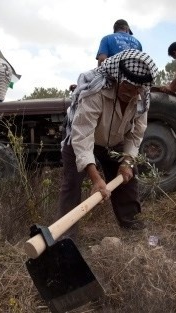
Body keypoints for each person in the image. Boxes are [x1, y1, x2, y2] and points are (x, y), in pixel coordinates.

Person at [60, 49, 158, 236]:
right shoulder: (95, 91)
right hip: (80, 139)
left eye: (136, 89)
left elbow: (136, 134)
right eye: (128, 87)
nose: (131, 94)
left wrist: (127, 163)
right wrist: (96, 179)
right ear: (117, 78)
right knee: (72, 183)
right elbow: (82, 135)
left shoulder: (141, 97)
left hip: (114, 142)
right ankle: (66, 238)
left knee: (128, 180)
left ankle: (133, 230)